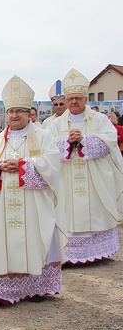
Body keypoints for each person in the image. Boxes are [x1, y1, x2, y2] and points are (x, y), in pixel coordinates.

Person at [0, 75, 65, 305]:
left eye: (19, 111)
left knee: (35, 237)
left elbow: (52, 164)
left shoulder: (43, 137)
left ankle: (35, 287)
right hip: (1, 206)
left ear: (29, 113)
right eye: (11, 111)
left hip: (32, 204)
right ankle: (0, 290)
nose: (14, 115)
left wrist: (22, 166)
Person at [47, 68, 123, 264]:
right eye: (70, 99)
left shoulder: (100, 120)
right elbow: (46, 147)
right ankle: (68, 255)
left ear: (86, 99)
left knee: (94, 209)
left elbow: (111, 142)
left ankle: (96, 253)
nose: (73, 102)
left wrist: (84, 141)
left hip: (94, 177)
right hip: (66, 177)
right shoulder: (55, 124)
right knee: (67, 212)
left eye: (78, 98)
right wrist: (65, 142)